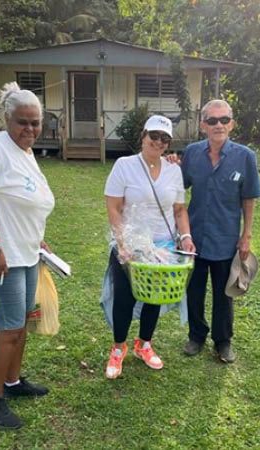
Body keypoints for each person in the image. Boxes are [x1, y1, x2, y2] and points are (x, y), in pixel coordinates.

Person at [0, 82, 54, 429]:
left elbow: (23, 203)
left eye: (35, 123)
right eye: (22, 122)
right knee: (9, 329)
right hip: (1, 257)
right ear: (7, 118)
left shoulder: (27, 153)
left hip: (27, 253)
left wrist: (39, 241)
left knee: (22, 324)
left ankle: (13, 382)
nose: (29, 129)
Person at [103, 115, 196, 379]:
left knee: (155, 296)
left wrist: (186, 236)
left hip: (162, 246)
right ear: (143, 136)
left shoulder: (173, 170)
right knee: (125, 297)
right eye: (153, 136)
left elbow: (179, 210)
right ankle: (118, 348)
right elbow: (114, 206)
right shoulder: (124, 165)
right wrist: (122, 243)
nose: (158, 142)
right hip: (130, 244)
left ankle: (144, 343)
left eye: (164, 139)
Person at [179, 99, 260, 363]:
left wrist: (246, 235)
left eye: (224, 120)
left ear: (232, 124)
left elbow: (249, 198)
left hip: (226, 239)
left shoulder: (245, 157)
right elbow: (178, 186)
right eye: (212, 120)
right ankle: (196, 335)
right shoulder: (191, 153)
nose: (219, 125)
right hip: (194, 237)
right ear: (203, 125)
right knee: (193, 290)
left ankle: (223, 341)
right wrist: (170, 162)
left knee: (224, 293)